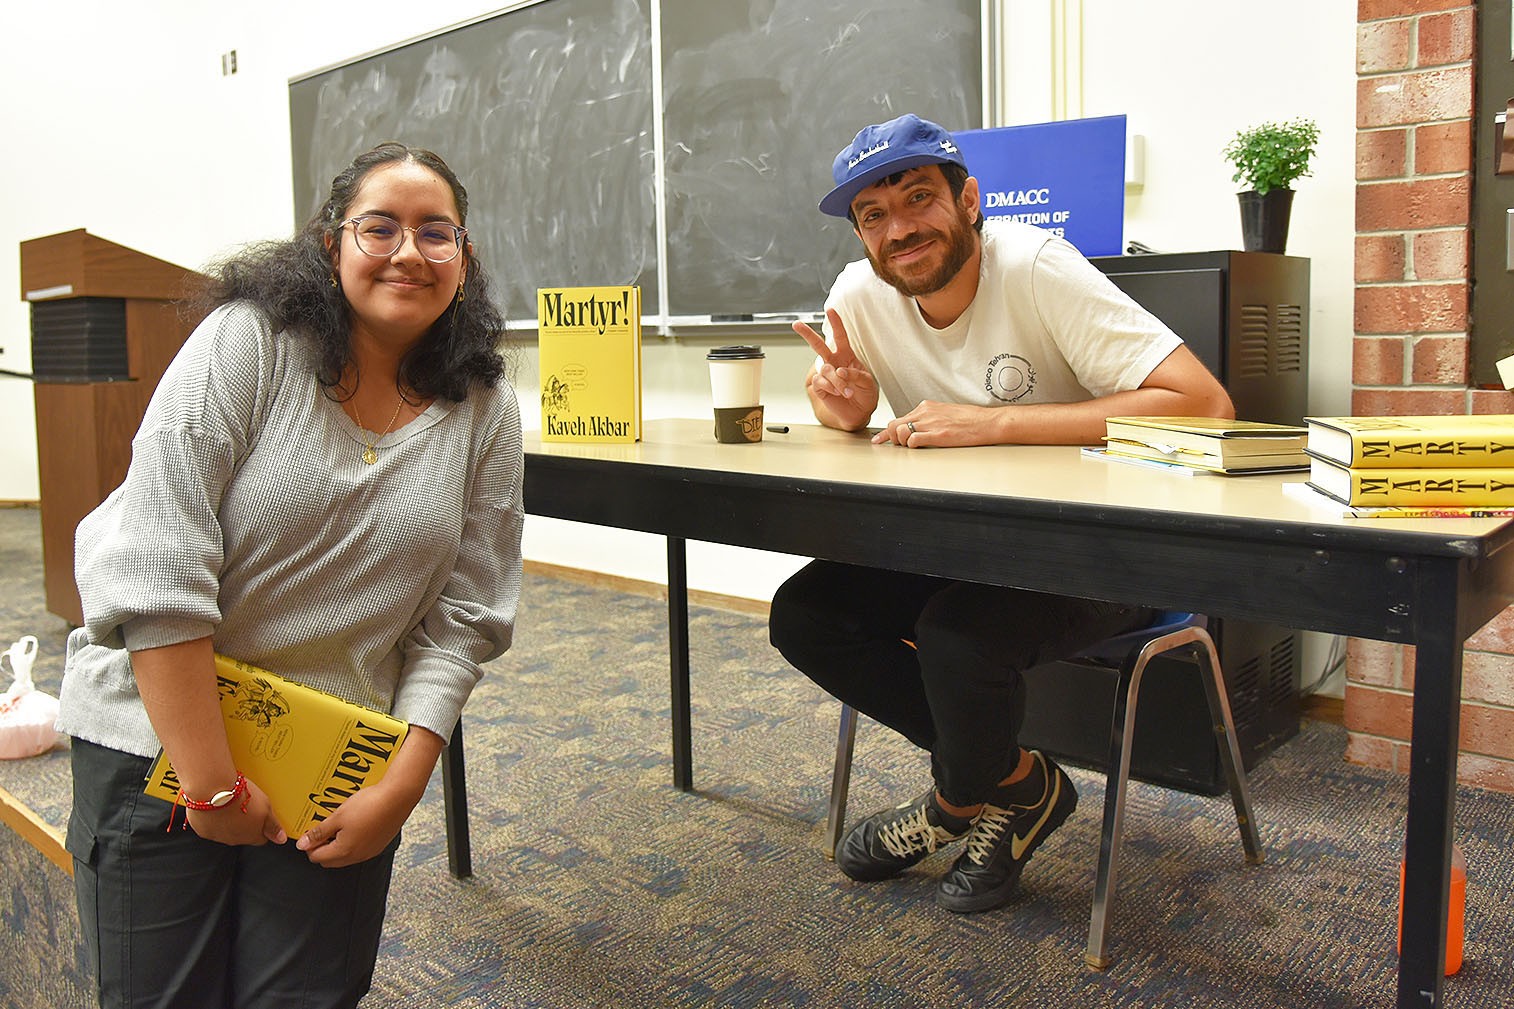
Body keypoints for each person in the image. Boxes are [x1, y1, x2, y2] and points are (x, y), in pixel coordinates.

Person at [57, 142, 524, 1008]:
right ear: (330, 243)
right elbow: (156, 567)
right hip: (159, 737)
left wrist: (403, 781)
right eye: (378, 226)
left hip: (329, 758)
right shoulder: (250, 343)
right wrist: (212, 781)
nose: (408, 251)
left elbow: (468, 615)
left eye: (437, 232)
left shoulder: (483, 405)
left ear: (465, 257)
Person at [768, 114, 1234, 914]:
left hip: (1105, 556)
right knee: (806, 613)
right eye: (874, 216)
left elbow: (1205, 405)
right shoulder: (860, 295)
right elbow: (861, 419)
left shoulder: (1035, 267)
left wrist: (994, 420)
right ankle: (1021, 784)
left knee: (958, 634)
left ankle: (956, 802)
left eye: (918, 198)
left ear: (971, 200)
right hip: (965, 551)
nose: (899, 227)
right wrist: (849, 413)